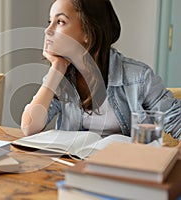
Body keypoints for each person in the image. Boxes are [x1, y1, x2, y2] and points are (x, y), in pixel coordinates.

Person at [20, 0, 181, 141]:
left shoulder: (138, 77)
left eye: (60, 21)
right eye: (49, 21)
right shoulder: (61, 76)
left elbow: (178, 124)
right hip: (70, 169)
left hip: (121, 169)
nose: (47, 30)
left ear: (88, 33)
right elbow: (29, 128)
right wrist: (57, 68)